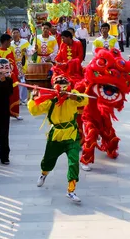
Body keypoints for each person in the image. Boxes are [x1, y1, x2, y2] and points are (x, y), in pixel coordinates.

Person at [29, 65, 88, 203]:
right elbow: (34, 110)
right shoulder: (50, 100)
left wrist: (75, 97)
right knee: (48, 160)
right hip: (56, 135)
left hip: (71, 134)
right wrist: (33, 97)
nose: (62, 89)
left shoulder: (72, 96)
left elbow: (85, 99)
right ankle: (44, 174)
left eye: (64, 85)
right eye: (59, 85)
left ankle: (71, 190)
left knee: (74, 162)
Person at [0, 34, 22, 120]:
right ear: (5, 41)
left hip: (13, 78)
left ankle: (15, 113)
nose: (10, 43)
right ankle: (5, 113)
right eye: (10, 41)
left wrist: (17, 74)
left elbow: (13, 63)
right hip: (4, 78)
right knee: (5, 96)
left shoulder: (10, 50)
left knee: (15, 94)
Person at [11, 28, 30, 106]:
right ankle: (17, 98)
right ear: (12, 34)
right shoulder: (10, 44)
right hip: (15, 65)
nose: (15, 34)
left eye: (17, 32)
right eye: (14, 32)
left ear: (19, 34)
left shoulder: (25, 42)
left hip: (24, 64)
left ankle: (24, 99)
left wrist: (27, 51)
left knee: (24, 82)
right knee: (16, 82)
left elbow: (31, 51)